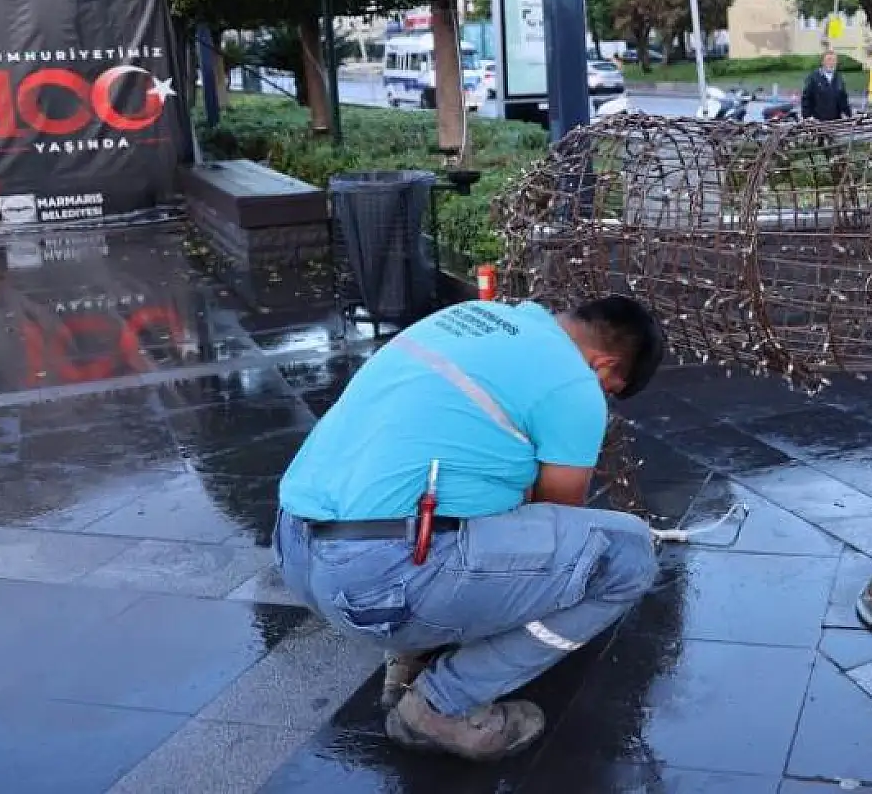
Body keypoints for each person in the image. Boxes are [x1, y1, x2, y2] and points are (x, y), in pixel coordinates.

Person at [273, 294, 666, 763]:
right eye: (609, 390)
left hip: (295, 548)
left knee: (476, 506)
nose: (601, 399)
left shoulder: (468, 319)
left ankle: (414, 660)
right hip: (377, 581)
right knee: (626, 554)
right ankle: (442, 704)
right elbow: (559, 514)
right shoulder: (575, 385)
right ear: (604, 365)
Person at [800, 49, 852, 122]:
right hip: (817, 121)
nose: (831, 63)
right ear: (822, 62)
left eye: (834, 60)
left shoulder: (839, 78)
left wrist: (847, 114)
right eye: (829, 60)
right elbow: (806, 98)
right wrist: (807, 117)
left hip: (836, 121)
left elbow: (843, 98)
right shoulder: (813, 77)